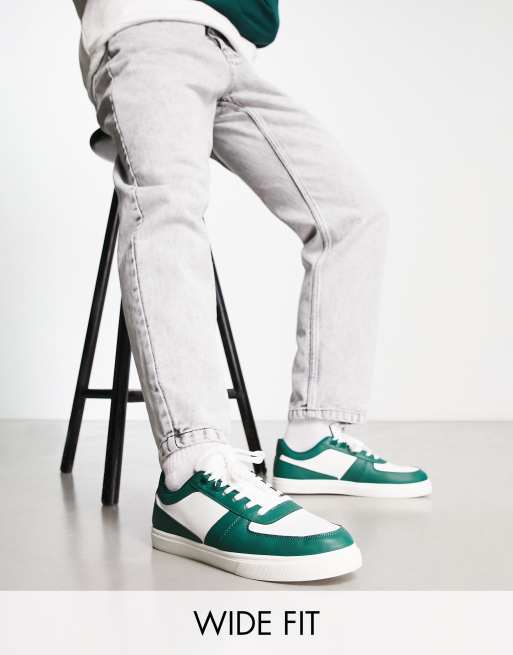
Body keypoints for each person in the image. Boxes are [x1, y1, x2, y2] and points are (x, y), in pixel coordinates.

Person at [72, 0, 431, 582]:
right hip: (146, 25)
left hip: (232, 49)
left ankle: (315, 440)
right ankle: (192, 472)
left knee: (353, 215)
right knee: (168, 206)